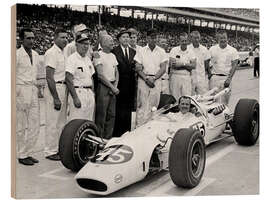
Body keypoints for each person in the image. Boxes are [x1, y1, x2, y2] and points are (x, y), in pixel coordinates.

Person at [16, 28, 40, 165]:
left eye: (33, 38)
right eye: (28, 38)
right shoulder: (16, 55)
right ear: (21, 39)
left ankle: (29, 152)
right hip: (20, 89)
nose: (31, 41)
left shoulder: (36, 55)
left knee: (34, 124)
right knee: (21, 125)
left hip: (32, 89)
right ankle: (22, 154)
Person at [134, 29, 168, 127]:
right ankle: (138, 129)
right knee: (142, 106)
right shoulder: (141, 50)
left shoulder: (161, 51)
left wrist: (154, 78)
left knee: (154, 106)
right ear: (147, 38)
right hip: (143, 80)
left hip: (156, 80)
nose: (153, 39)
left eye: (155, 37)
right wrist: (146, 78)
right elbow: (138, 67)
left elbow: (163, 68)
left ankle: (150, 129)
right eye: (151, 37)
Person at [44, 28, 68, 160]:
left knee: (61, 122)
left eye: (66, 37)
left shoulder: (63, 53)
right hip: (55, 88)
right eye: (62, 37)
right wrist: (56, 98)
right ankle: (50, 151)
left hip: (63, 87)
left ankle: (57, 148)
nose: (65, 40)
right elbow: (49, 77)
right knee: (52, 121)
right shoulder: (51, 53)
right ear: (55, 38)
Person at [111, 28, 137, 137]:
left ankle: (127, 133)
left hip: (130, 86)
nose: (126, 39)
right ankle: (117, 134)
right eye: (124, 37)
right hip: (120, 84)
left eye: (128, 37)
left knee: (128, 110)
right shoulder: (114, 51)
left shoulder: (133, 52)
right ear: (119, 39)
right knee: (119, 110)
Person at [65, 32, 96, 122]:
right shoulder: (72, 59)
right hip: (78, 92)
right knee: (76, 121)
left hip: (89, 93)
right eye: (82, 43)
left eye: (87, 44)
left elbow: (91, 78)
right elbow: (68, 78)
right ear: (76, 45)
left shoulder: (88, 59)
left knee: (88, 121)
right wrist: (75, 97)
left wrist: (92, 94)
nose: (85, 46)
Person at [95, 35, 119, 139]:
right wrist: (112, 87)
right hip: (104, 87)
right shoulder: (98, 55)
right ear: (103, 43)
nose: (112, 42)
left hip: (113, 86)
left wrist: (115, 86)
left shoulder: (113, 56)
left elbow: (117, 72)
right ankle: (99, 139)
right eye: (109, 40)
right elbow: (100, 75)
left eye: (112, 40)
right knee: (101, 115)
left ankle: (108, 138)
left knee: (111, 115)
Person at [209, 30, 239, 105]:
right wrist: (209, 74)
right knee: (213, 101)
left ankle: (224, 116)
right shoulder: (212, 49)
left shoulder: (233, 50)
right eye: (221, 38)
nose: (223, 40)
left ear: (227, 38)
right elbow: (207, 62)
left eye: (224, 38)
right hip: (214, 78)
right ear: (217, 39)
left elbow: (234, 65)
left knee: (225, 102)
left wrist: (229, 78)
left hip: (226, 78)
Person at [169, 32, 196, 101]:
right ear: (179, 41)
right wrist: (187, 65)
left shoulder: (191, 51)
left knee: (186, 97)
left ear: (188, 41)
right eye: (182, 41)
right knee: (174, 98)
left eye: (185, 41)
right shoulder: (174, 50)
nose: (184, 42)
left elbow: (193, 65)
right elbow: (173, 65)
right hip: (175, 76)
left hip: (186, 77)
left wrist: (181, 64)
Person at [188, 31, 211, 95]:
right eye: (195, 38)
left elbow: (206, 63)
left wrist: (207, 73)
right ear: (191, 38)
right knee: (190, 96)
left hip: (201, 78)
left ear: (200, 38)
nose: (196, 40)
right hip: (190, 77)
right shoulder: (187, 49)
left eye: (198, 38)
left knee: (202, 96)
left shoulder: (204, 49)